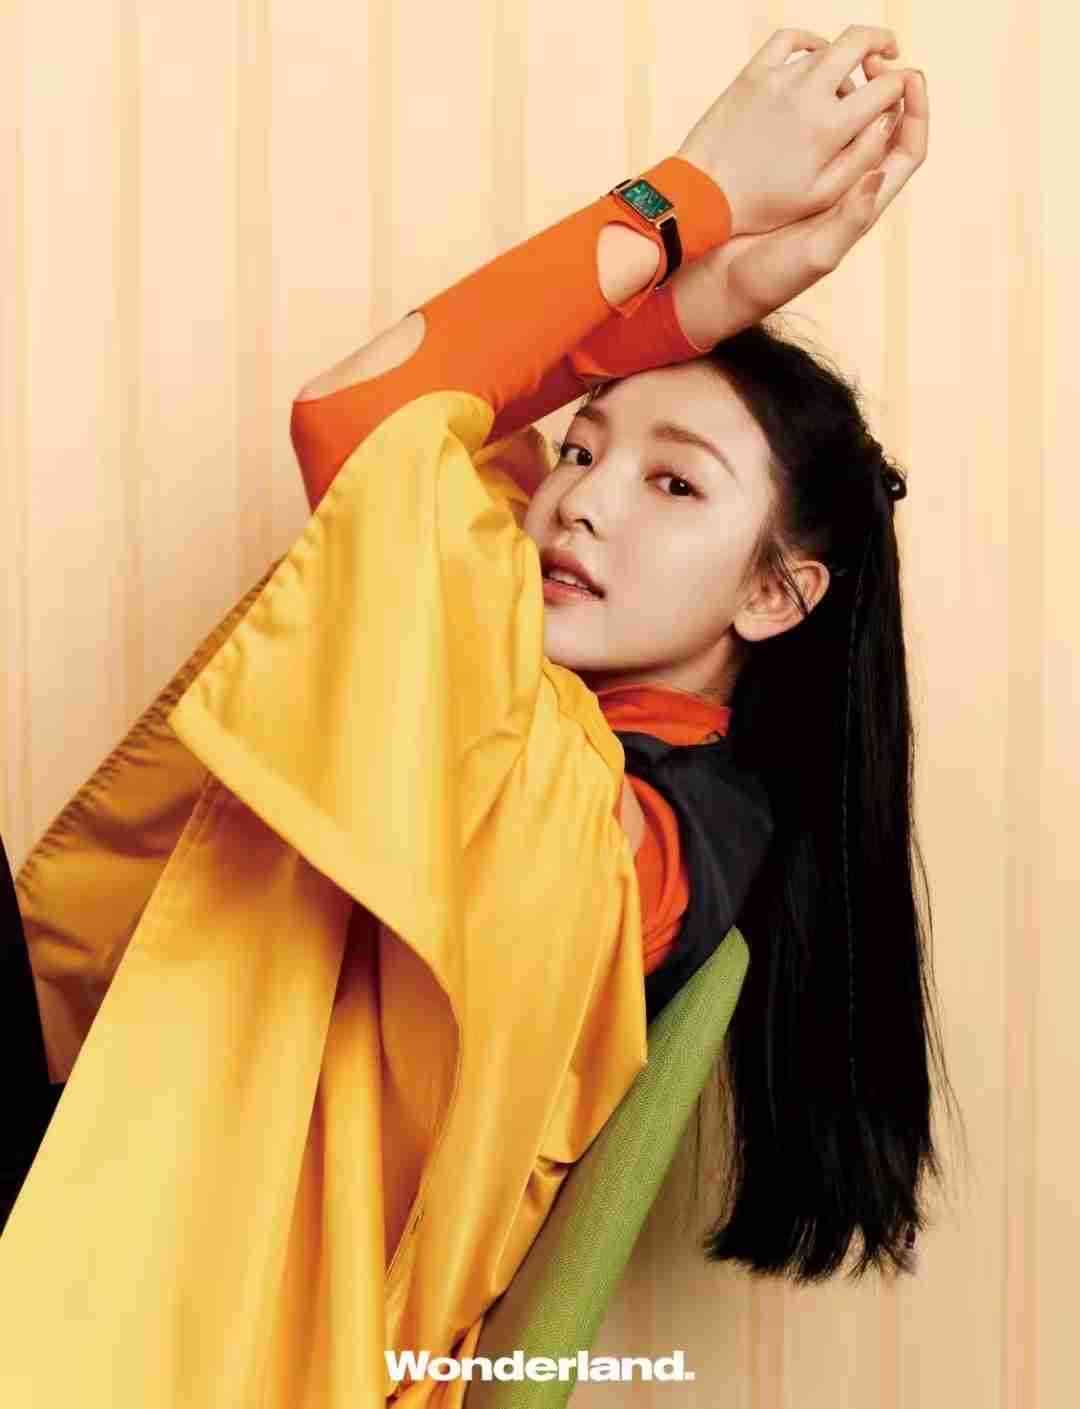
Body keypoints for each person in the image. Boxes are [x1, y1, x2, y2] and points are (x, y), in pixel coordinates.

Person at [0, 25, 959, 1406]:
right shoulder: (549, 727)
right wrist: (697, 302)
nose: (579, 499)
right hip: (117, 1191)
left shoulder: (620, 839)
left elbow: (366, 424)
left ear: (776, 593)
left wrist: (686, 194)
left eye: (674, 483)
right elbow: (435, 433)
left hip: (175, 1312)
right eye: (585, 446)